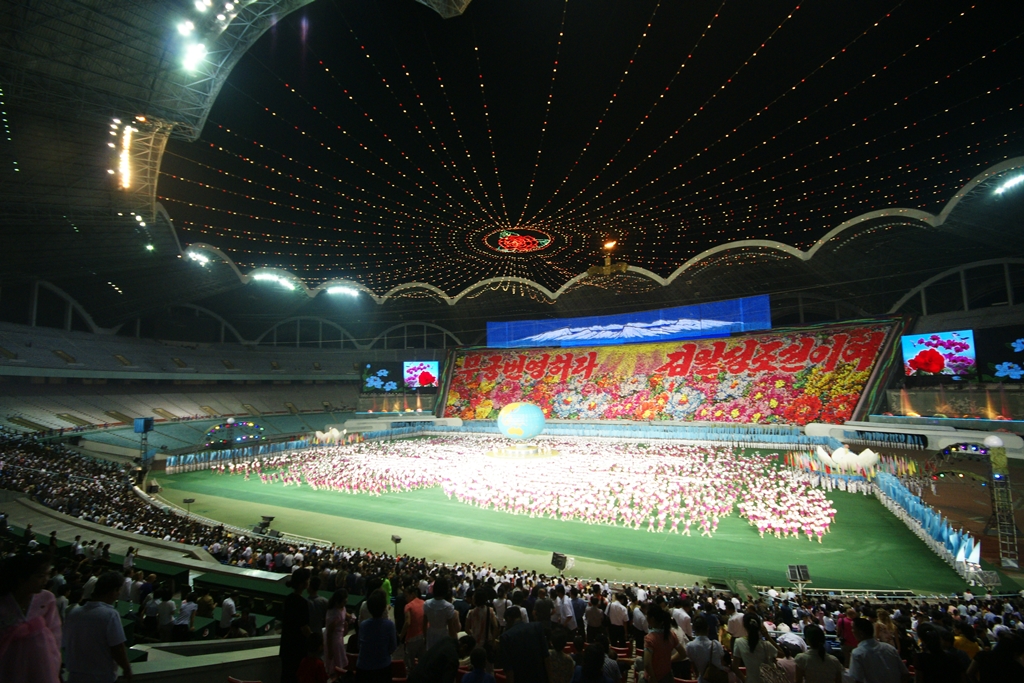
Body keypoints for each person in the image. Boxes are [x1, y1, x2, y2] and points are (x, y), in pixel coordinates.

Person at [0, 552, 62, 683]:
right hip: (7, 663)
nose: (46, 580)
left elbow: (55, 632)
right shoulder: (4, 601)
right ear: (21, 578)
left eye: (47, 575)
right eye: (40, 576)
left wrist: (54, 660)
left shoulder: (47, 599)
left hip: (41, 664)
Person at [63, 571, 133, 683]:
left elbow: (65, 643)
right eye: (118, 590)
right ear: (113, 591)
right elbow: (117, 648)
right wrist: (127, 668)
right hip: (100, 676)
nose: (119, 594)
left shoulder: (73, 613)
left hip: (74, 674)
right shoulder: (110, 614)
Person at [499, 601, 550, 683]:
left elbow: (509, 669)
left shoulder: (506, 637)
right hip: (540, 677)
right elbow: (546, 656)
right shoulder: (537, 627)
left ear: (508, 619)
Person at [847, 617, 909, 683]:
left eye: (853, 628)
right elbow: (905, 674)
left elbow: (857, 679)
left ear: (861, 633)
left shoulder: (857, 654)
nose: (852, 631)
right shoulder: (889, 648)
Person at [356, 589, 397, 683]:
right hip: (382, 668)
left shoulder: (363, 625)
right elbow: (393, 647)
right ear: (384, 608)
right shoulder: (389, 625)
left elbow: (359, 645)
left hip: (363, 668)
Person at [281, 568, 313, 683]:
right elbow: (304, 628)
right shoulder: (303, 603)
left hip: (286, 645)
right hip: (297, 647)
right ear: (303, 583)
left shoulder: (288, 599)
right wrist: (314, 639)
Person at [407, 633, 476, 683]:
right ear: (464, 647)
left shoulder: (446, 640)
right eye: (466, 654)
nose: (464, 657)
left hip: (414, 677)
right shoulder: (453, 659)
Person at [731, 612, 778, 683]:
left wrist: (744, 679)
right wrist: (767, 636)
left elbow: (734, 667)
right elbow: (782, 654)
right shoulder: (766, 644)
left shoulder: (739, 642)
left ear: (744, 625)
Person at [643, 604, 685, 683]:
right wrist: (668, 660)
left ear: (652, 619)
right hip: (667, 676)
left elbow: (647, 664)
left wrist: (652, 677)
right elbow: (683, 654)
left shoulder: (649, 639)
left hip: (654, 678)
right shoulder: (671, 635)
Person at [685, 614, 728, 683]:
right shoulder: (716, 644)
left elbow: (694, 668)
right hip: (718, 679)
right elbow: (721, 662)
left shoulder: (689, 646)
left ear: (694, 629)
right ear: (707, 628)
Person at [423, 576, 459, 650]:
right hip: (443, 635)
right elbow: (451, 627)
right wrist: (455, 641)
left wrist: (425, 637)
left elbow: (424, 624)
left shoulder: (426, 603)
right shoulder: (449, 606)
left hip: (431, 634)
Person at [324, 589, 351, 675]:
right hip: (334, 640)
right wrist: (330, 650)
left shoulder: (341, 607)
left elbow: (346, 614)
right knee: (336, 660)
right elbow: (329, 634)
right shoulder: (334, 615)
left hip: (339, 637)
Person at [402, 584, 426, 673]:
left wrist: (401, 635)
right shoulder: (424, 603)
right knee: (422, 662)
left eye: (406, 596)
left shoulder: (408, 606)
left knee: (409, 664)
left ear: (412, 594)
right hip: (423, 636)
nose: (405, 598)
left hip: (412, 637)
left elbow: (407, 622)